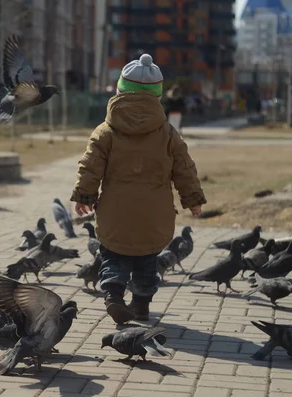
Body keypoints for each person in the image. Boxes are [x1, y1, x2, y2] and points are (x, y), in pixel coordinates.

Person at [70, 54, 206, 324]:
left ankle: (112, 296)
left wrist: (85, 196)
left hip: (115, 212)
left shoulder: (105, 131)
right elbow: (184, 167)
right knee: (147, 260)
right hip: (154, 213)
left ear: (120, 91)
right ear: (158, 97)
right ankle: (141, 307)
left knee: (113, 255)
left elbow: (90, 165)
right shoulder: (168, 133)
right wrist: (192, 199)